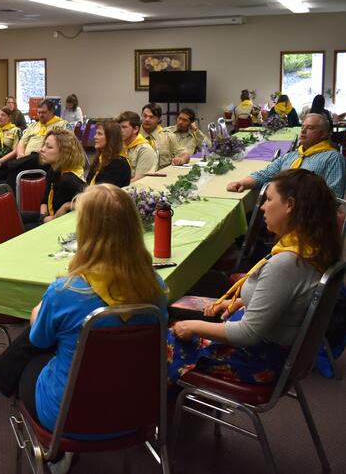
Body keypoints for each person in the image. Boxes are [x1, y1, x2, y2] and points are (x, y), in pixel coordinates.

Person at [0, 184, 167, 470]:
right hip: (138, 410)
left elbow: (38, 340)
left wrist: (39, 312)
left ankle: (54, 451)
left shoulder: (67, 291)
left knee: (37, 358)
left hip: (69, 417)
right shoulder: (156, 286)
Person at [169, 169, 341, 387]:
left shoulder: (287, 263)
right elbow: (286, 297)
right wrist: (243, 301)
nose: (262, 207)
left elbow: (247, 334)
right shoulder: (311, 247)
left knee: (161, 342)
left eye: (269, 199)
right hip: (278, 351)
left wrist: (192, 326)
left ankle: (163, 410)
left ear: (290, 205)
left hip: (257, 359)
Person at [0, 129, 86, 256]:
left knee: (10, 231)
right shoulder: (53, 171)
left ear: (64, 152)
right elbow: (44, 200)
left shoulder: (69, 179)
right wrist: (44, 217)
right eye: (44, 145)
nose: (42, 149)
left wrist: (66, 206)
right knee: (0, 218)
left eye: (49, 147)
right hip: (48, 219)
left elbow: (92, 200)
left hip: (60, 229)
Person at [227, 113, 346, 196]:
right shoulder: (292, 156)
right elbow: (266, 174)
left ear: (324, 134)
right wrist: (242, 183)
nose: (303, 131)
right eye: (302, 127)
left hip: (307, 217)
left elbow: (334, 197)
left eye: (310, 128)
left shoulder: (333, 158)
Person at [7, 99, 70, 192]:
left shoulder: (62, 125)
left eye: (43, 112)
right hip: (27, 160)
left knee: (33, 156)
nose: (40, 115)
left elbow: (67, 145)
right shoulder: (33, 126)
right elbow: (22, 142)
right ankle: (14, 203)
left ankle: (6, 165)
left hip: (46, 160)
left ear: (52, 111)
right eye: (39, 112)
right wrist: (20, 155)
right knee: (13, 172)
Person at [140, 103, 189, 169]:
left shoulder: (168, 136)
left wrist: (181, 159)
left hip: (161, 176)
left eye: (151, 117)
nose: (147, 119)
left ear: (159, 119)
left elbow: (185, 154)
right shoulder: (133, 135)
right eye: (145, 116)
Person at [86, 121, 131, 187]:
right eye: (96, 133)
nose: (95, 137)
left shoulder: (119, 163)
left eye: (100, 134)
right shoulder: (100, 158)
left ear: (111, 138)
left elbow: (104, 191)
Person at [118, 111, 157, 183]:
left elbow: (139, 179)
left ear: (135, 129)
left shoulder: (145, 149)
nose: (120, 130)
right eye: (118, 127)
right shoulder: (118, 146)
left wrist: (115, 188)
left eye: (124, 127)